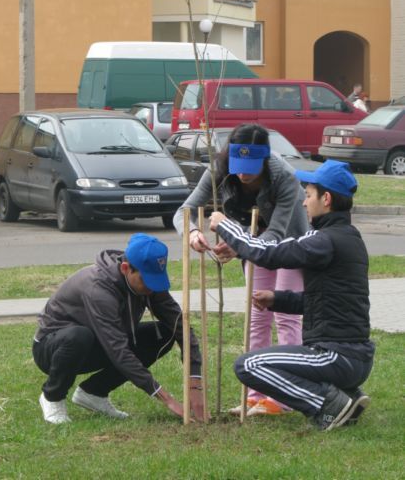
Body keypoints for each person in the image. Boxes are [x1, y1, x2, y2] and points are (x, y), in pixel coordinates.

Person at [209, 160, 374, 431]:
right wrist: (278, 299)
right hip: (356, 360)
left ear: (327, 199)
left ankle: (328, 403)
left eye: (308, 195)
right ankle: (347, 397)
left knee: (249, 365)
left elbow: (267, 253)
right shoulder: (350, 238)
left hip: (334, 356)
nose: (304, 203)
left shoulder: (322, 240)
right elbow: (324, 303)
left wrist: (226, 226)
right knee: (261, 362)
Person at [173, 124, 309, 415]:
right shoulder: (219, 170)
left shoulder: (284, 178)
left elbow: (275, 235)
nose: (243, 174)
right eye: (238, 166)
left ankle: (285, 396)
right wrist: (193, 232)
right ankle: (255, 394)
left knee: (286, 318)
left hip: (288, 245)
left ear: (265, 159)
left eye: (251, 167)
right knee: (256, 317)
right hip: (252, 245)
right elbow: (183, 211)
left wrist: (238, 244)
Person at [33, 233, 205, 424]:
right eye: (147, 280)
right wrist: (166, 398)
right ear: (125, 268)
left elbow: (178, 324)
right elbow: (117, 349)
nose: (152, 287)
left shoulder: (149, 283)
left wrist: (194, 379)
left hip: (100, 342)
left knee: (164, 334)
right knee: (79, 336)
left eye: (156, 279)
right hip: (53, 348)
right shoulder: (98, 289)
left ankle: (93, 393)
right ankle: (52, 397)